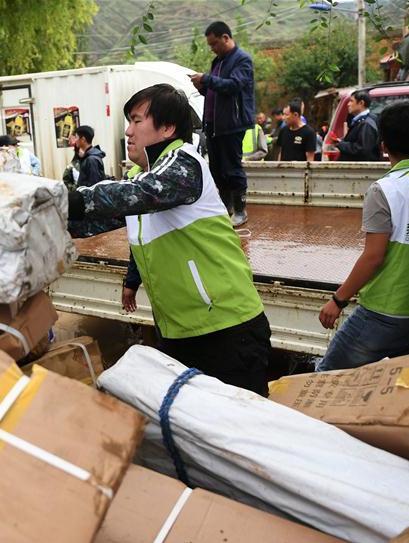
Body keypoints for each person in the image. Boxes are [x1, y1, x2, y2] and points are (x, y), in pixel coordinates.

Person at [68, 83, 272, 395]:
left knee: (235, 432)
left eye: (137, 121)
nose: (128, 132)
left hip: (227, 329)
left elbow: (136, 195)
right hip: (181, 331)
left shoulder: (183, 163)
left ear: (167, 127)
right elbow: (119, 223)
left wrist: (63, 199)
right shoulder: (148, 180)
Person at [316, 99, 409, 371]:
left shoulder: (384, 189)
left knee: (326, 377)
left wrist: (338, 300)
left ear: (383, 145)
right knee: (406, 381)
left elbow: (373, 256)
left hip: (382, 313)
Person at [189, 21, 255, 228]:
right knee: (217, 169)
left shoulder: (242, 60)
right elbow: (215, 91)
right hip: (214, 125)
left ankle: (240, 211)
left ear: (226, 38)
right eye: (210, 45)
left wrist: (206, 79)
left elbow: (234, 85)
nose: (213, 48)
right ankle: (226, 209)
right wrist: (201, 86)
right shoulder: (217, 62)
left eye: (215, 43)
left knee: (232, 168)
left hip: (232, 124)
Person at [329, 90, 381, 161]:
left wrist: (341, 144)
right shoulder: (365, 120)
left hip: (360, 169)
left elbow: (362, 149)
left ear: (361, 103)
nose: (348, 104)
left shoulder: (366, 123)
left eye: (351, 101)